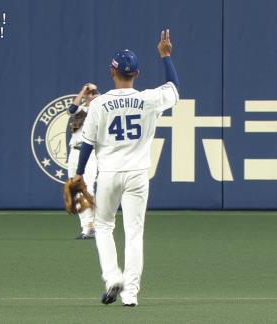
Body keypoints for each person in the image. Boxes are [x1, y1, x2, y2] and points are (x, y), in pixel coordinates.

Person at [74, 29, 179, 306]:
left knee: (105, 227)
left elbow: (87, 142)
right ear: (137, 73)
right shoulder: (148, 99)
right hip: (137, 174)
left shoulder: (99, 103)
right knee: (134, 233)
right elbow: (174, 87)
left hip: (108, 173)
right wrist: (165, 55)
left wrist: (78, 173)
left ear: (112, 71)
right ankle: (130, 294)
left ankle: (112, 278)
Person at [66, 83, 99, 239]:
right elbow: (71, 109)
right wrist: (83, 90)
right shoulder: (81, 111)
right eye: (88, 95)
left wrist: (96, 96)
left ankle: (93, 225)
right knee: (76, 190)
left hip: (90, 153)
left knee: (88, 188)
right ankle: (86, 227)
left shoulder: (100, 112)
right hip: (74, 152)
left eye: (93, 94)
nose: (89, 97)